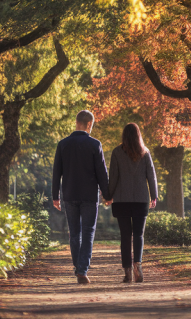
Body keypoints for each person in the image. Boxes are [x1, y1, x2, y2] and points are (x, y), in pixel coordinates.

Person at [52, 110, 111, 284]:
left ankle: (79, 267)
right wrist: (107, 195)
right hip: (89, 196)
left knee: (74, 233)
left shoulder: (63, 144)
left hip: (69, 195)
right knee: (88, 232)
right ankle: (82, 269)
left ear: (76, 122)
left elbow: (57, 172)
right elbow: (102, 172)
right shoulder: (95, 144)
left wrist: (55, 196)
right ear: (89, 124)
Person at [105, 123, 158, 283]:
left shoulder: (116, 152)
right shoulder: (145, 152)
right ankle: (138, 266)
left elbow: (113, 177)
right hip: (141, 199)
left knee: (125, 236)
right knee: (139, 235)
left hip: (122, 200)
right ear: (138, 135)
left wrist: (108, 195)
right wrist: (154, 195)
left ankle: (127, 271)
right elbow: (152, 175)